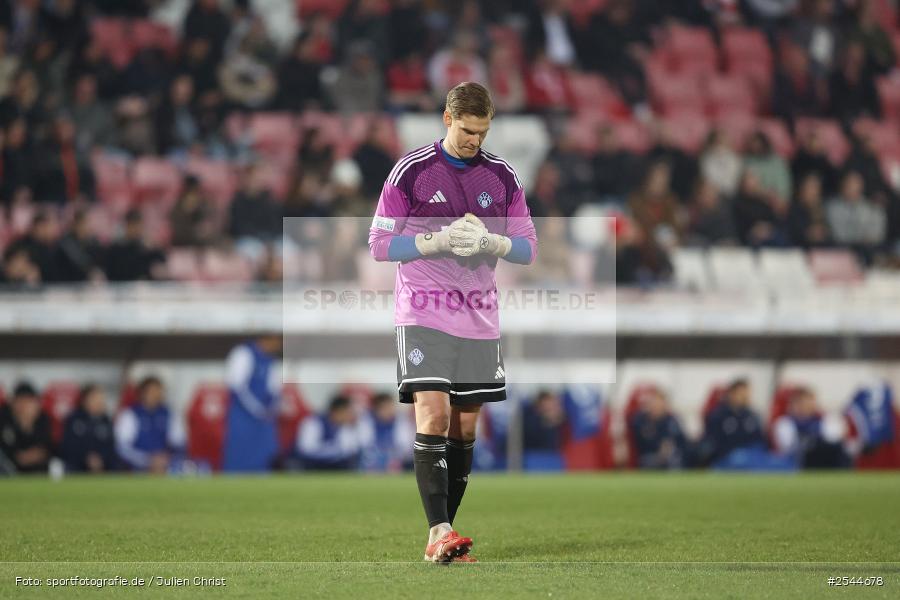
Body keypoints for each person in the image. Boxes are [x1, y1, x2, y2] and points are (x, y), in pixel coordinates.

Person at [368, 82, 537, 563]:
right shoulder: (411, 172)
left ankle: (442, 537)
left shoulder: (501, 177)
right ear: (447, 119)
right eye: (467, 131)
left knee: (464, 429)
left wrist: (494, 243)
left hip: (478, 317)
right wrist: (432, 243)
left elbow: (528, 247)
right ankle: (440, 528)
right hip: (422, 309)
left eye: (482, 133)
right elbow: (379, 245)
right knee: (435, 416)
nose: (474, 141)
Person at [222, 335, 282, 472]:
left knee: (264, 453)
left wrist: (271, 408)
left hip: (264, 417)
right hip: (243, 415)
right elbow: (237, 387)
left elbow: (274, 389)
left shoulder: (270, 360)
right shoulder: (243, 353)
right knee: (240, 452)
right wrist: (256, 409)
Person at [772, 387, 849, 469]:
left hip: (825, 458)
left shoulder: (822, 420)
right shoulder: (785, 422)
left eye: (810, 403)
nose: (807, 406)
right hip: (799, 461)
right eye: (803, 403)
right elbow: (787, 446)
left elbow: (836, 438)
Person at [114, 376, 174, 473]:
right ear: (142, 393)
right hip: (136, 470)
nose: (156, 395)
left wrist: (166, 459)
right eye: (153, 391)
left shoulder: (168, 413)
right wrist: (147, 460)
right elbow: (122, 447)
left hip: (164, 469)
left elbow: (179, 444)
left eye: (159, 391)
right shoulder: (130, 414)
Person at [702, 378, 766, 466]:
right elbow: (713, 442)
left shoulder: (752, 416)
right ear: (731, 394)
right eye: (742, 394)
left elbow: (759, 440)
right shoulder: (719, 416)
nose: (745, 397)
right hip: (726, 458)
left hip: (751, 456)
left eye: (747, 394)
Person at [297, 395, 366, 470]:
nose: (352, 416)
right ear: (340, 410)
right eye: (350, 412)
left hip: (336, 466)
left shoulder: (345, 427)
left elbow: (350, 449)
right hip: (311, 466)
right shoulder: (313, 422)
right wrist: (335, 450)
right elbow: (306, 449)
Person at [60, 384, 117, 473]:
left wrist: (101, 458)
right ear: (84, 400)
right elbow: (67, 446)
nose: (100, 402)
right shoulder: (73, 419)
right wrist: (86, 458)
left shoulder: (106, 421)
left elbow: (110, 446)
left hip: (103, 465)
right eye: (95, 398)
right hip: (78, 466)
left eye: (101, 398)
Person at [0, 381, 52, 473]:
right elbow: (5, 446)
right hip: (8, 466)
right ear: (13, 402)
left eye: (28, 401)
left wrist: (28, 424)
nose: (24, 406)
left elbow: (47, 446)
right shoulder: (4, 417)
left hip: (37, 467)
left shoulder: (43, 419)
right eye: (20, 401)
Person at [629, 387, 687, 470]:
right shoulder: (641, 420)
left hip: (670, 456)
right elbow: (640, 442)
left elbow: (681, 441)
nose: (656, 405)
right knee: (648, 462)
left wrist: (670, 448)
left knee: (676, 461)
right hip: (649, 456)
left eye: (659, 402)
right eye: (654, 402)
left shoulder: (672, 420)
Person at [359, 392, 415, 472]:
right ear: (377, 409)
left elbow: (404, 445)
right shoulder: (367, 421)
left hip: (396, 459)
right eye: (386, 408)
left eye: (391, 407)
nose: (390, 411)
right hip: (371, 460)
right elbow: (365, 444)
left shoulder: (400, 420)